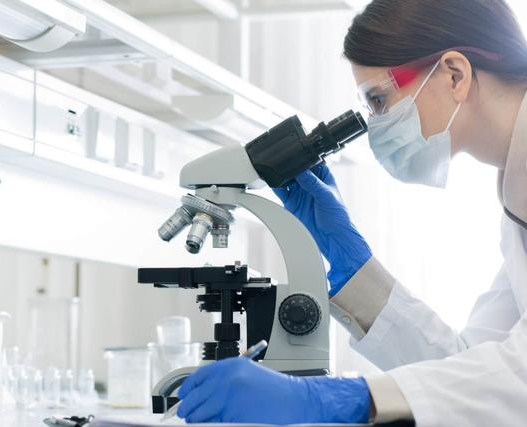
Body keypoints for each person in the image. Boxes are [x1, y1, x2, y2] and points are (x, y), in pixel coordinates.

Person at [175, 0, 527, 425]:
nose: (375, 123)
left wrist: (334, 397)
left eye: (378, 100)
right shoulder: (515, 195)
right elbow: (470, 374)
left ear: (454, 74)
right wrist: (353, 266)